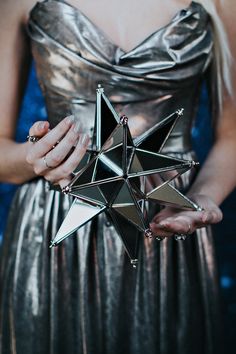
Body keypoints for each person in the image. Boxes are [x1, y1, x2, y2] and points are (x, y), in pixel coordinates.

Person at [0, 0, 235, 353]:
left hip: (168, 228)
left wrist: (203, 198)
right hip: (55, 232)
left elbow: (232, 137)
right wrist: (36, 158)